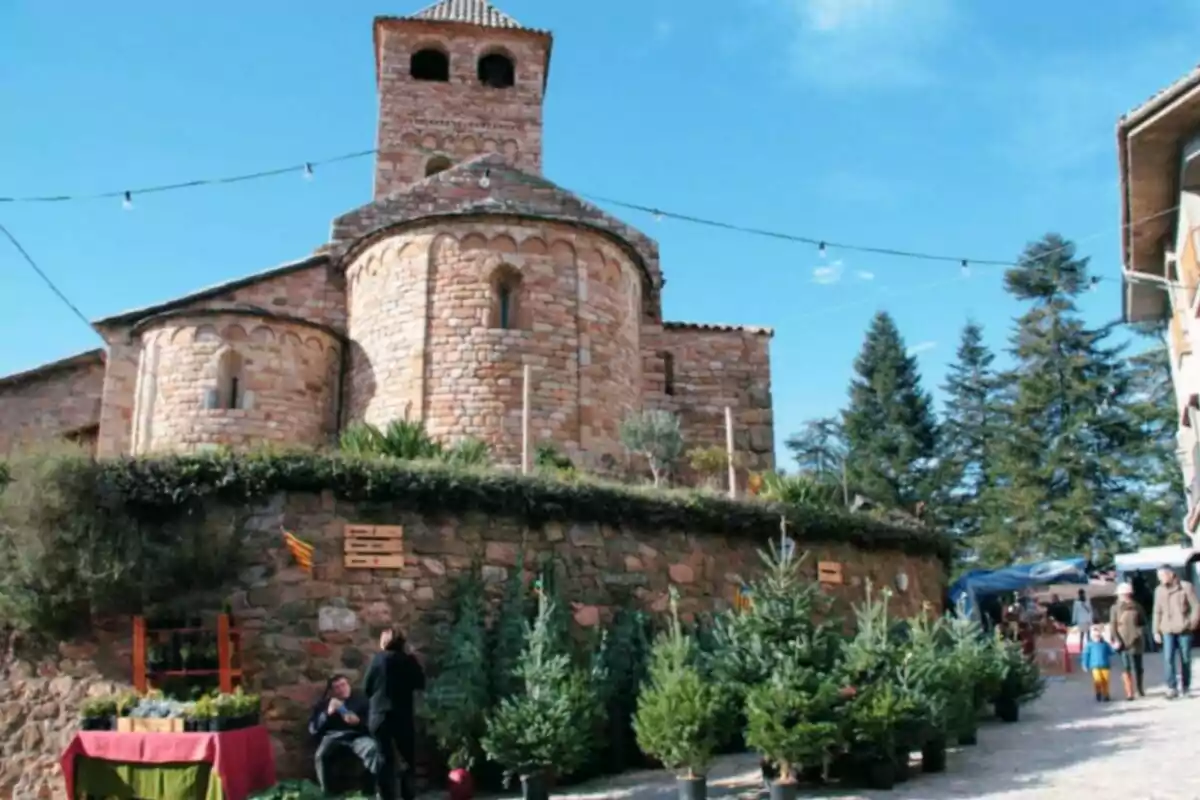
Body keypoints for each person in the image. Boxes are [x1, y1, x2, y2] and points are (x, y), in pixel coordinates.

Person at [364, 626, 427, 800]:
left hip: (379, 715)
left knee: (384, 758)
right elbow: (420, 683)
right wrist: (413, 657)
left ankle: (386, 796)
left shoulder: (377, 660)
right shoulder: (407, 661)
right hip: (401, 714)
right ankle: (408, 795)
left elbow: (367, 687)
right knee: (407, 758)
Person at [309, 674, 378, 794]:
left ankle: (372, 790)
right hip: (333, 737)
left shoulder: (362, 701)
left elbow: (373, 724)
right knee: (321, 756)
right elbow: (313, 729)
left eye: (343, 685)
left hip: (357, 735)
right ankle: (328, 793)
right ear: (332, 691)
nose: (341, 689)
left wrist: (359, 722)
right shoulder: (324, 704)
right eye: (337, 687)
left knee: (373, 750)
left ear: (349, 685)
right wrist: (327, 714)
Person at [1152, 564, 1200, 699]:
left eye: (1162, 575)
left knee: (1185, 659)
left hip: (1184, 628)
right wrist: (1156, 631)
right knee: (1168, 659)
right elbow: (1157, 611)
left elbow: (1195, 606)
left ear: (1171, 574)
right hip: (1167, 629)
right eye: (1159, 576)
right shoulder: (1158, 591)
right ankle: (1171, 687)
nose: (1160, 579)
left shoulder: (1186, 587)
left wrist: (1192, 623)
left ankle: (1186, 687)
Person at [1108, 582, 1147, 700]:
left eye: (1123, 594)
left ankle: (1140, 688)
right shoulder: (1114, 608)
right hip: (1122, 640)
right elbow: (1113, 624)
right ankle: (1129, 692)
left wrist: (1139, 632)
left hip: (1136, 639)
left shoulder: (1137, 606)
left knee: (1138, 666)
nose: (1121, 596)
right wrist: (1115, 638)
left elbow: (1143, 622)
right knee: (1126, 666)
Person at [1080, 624, 1114, 703]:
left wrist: (1115, 647)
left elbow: (1111, 652)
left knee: (1105, 681)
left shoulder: (1105, 644)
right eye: (1095, 636)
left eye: (1098, 635)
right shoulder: (1089, 645)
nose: (1097, 637)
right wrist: (1084, 664)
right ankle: (1098, 693)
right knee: (1097, 680)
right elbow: (1085, 655)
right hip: (1094, 666)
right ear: (1092, 636)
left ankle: (1106, 694)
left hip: (1105, 665)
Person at [1071, 588, 1094, 653]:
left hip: (1080, 620)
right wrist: (1091, 620)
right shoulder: (1087, 601)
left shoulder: (1076, 602)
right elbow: (1090, 611)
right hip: (1087, 620)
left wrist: (1074, 620)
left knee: (1081, 635)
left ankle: (1081, 648)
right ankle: (1089, 648)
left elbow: (1075, 612)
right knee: (1088, 635)